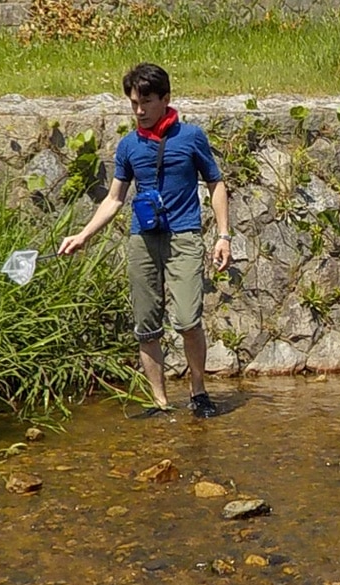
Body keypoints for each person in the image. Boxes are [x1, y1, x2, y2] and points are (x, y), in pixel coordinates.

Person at [58, 62, 232, 418]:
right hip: (143, 240)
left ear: (166, 99)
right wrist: (84, 235)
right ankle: (160, 402)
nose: (139, 111)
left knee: (187, 320)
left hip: (183, 236)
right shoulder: (127, 146)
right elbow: (114, 199)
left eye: (146, 102)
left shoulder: (191, 137)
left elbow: (216, 183)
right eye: (134, 103)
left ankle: (198, 392)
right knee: (146, 326)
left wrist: (223, 235)